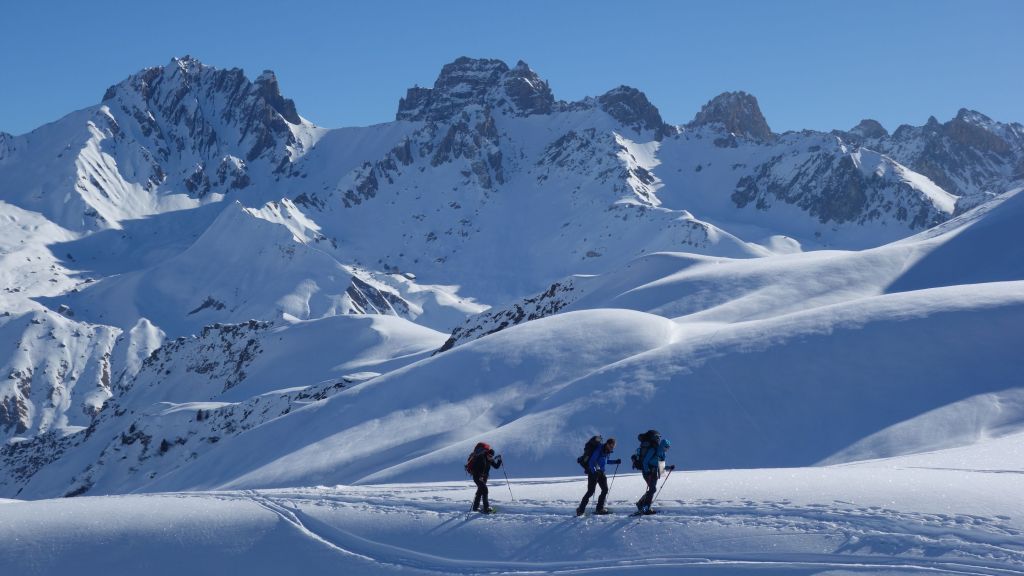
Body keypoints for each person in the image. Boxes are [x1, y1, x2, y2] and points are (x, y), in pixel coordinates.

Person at [577, 437, 621, 516]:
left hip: (601, 472)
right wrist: (594, 472)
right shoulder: (599, 449)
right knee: (590, 492)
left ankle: (599, 508)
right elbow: (591, 461)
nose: (612, 448)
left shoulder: (607, 452)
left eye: (613, 447)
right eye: (611, 446)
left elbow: (606, 461)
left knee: (605, 489)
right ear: (607, 444)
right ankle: (580, 510)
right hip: (593, 472)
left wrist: (615, 461)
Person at [635, 432, 674, 515]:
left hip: (654, 473)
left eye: (668, 447)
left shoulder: (663, 454)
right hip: (648, 473)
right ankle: (645, 507)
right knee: (652, 489)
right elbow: (645, 462)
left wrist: (669, 467)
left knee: (652, 489)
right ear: (663, 445)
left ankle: (641, 504)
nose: (667, 449)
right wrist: (647, 471)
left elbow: (661, 467)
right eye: (666, 447)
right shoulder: (654, 450)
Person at [467, 442, 502, 513]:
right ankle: (486, 508)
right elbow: (477, 468)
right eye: (489, 456)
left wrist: (499, 460)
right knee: (485, 490)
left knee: (480, 491)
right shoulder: (481, 458)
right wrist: (480, 476)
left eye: (491, 456)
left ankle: (475, 507)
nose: (490, 457)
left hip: (484, 478)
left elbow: (496, 467)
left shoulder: (489, 459)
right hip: (477, 477)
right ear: (487, 454)